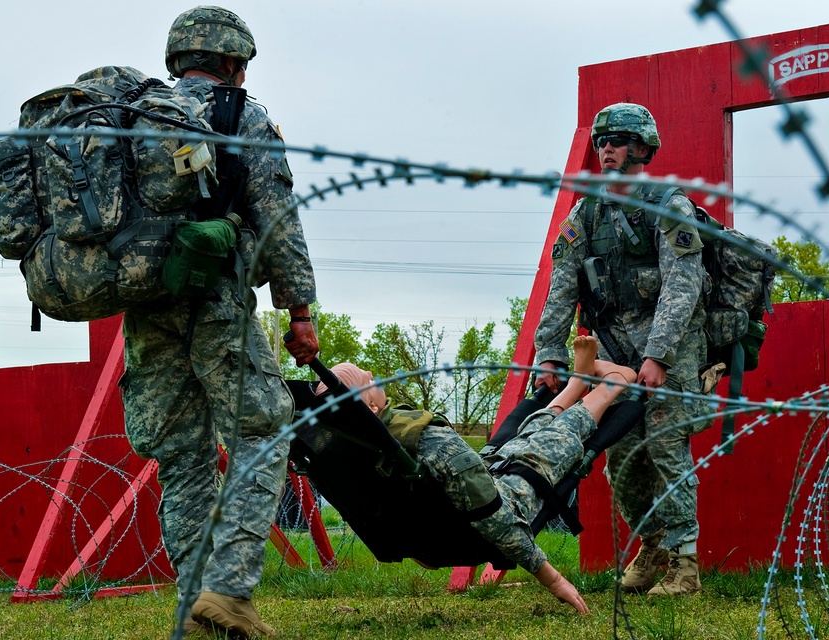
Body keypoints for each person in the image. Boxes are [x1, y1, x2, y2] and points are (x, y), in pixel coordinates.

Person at [120, 6, 318, 638]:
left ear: (181, 58)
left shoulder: (134, 117)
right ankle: (228, 592)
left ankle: (194, 598)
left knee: (182, 458)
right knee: (264, 429)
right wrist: (300, 310)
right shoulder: (241, 115)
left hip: (147, 306)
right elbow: (277, 218)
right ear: (233, 60)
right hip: (215, 303)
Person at [318, 335, 637, 614]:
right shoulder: (423, 438)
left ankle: (578, 383)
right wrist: (551, 578)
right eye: (369, 381)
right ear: (371, 410)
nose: (376, 377)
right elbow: (493, 515)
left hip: (466, 495)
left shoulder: (350, 451)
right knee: (560, 436)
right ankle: (611, 384)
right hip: (509, 498)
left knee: (524, 436)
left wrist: (416, 546)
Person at [532, 103, 711, 596]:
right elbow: (562, 283)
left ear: (641, 148)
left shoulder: (668, 206)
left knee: (666, 450)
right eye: (601, 142)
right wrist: (548, 353)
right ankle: (653, 547)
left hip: (671, 351)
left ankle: (686, 565)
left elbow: (683, 282)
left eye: (616, 141)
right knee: (623, 459)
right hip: (616, 356)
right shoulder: (588, 211)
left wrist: (659, 355)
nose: (606, 149)